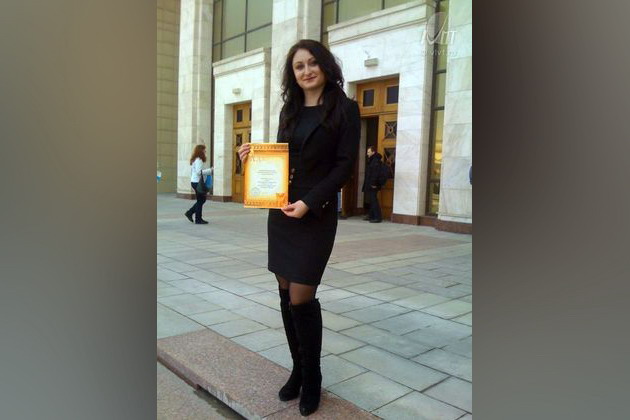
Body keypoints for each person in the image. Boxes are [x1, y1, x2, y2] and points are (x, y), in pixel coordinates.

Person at [238, 39, 360, 417]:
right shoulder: (289, 109)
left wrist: (311, 201)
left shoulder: (345, 108)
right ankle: (298, 369)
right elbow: (282, 161)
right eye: (298, 66)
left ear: (324, 65)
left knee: (301, 296)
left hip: (314, 214)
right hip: (283, 212)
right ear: (293, 74)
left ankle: (313, 377)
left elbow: (344, 166)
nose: (306, 71)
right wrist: (251, 160)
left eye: (311, 63)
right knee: (285, 291)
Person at [185, 144, 213, 224]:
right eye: (204, 150)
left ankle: (190, 213)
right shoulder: (199, 159)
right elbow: (198, 172)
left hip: (195, 182)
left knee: (201, 200)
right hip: (197, 182)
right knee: (201, 200)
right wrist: (210, 170)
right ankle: (198, 219)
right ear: (201, 151)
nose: (205, 151)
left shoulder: (195, 159)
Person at [362, 146, 384, 223]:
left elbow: (375, 174)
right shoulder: (372, 160)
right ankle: (371, 216)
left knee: (374, 200)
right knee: (372, 200)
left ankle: (378, 217)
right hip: (371, 184)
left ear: (373, 152)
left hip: (373, 185)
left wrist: (373, 184)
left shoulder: (375, 161)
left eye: (368, 152)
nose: (367, 154)